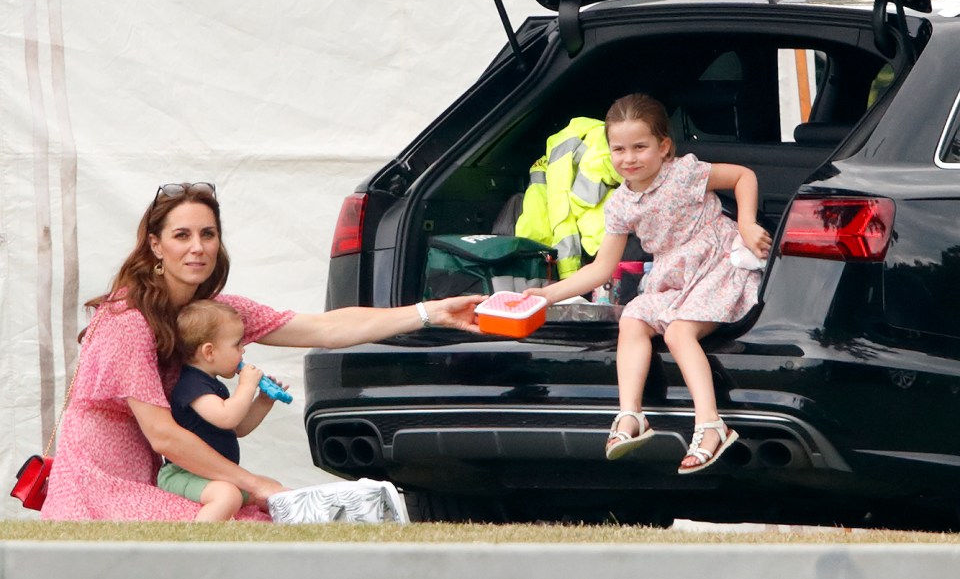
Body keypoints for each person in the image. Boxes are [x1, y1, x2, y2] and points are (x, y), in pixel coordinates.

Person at [41, 182, 485, 521]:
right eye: (182, 235)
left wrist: (431, 312)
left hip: (153, 477)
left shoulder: (216, 314)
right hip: (97, 485)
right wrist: (253, 483)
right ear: (156, 245)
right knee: (250, 518)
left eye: (208, 234)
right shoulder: (128, 320)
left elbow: (325, 328)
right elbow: (164, 437)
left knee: (258, 520)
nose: (198, 247)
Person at [525, 93, 772, 474]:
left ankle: (711, 425)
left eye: (640, 147)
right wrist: (547, 295)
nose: (629, 158)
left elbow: (743, 176)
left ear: (664, 147)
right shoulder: (620, 204)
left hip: (717, 262)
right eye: (619, 149)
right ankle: (630, 416)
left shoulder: (684, 173)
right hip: (674, 274)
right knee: (633, 319)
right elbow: (601, 269)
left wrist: (746, 223)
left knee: (677, 333)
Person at [157, 300, 284, 522]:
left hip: (216, 475)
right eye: (237, 345)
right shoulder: (191, 385)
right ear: (209, 351)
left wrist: (263, 401)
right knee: (228, 495)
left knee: (272, 490)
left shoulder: (214, 385)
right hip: (183, 473)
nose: (243, 351)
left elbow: (238, 427)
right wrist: (246, 386)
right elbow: (226, 417)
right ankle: (199, 542)